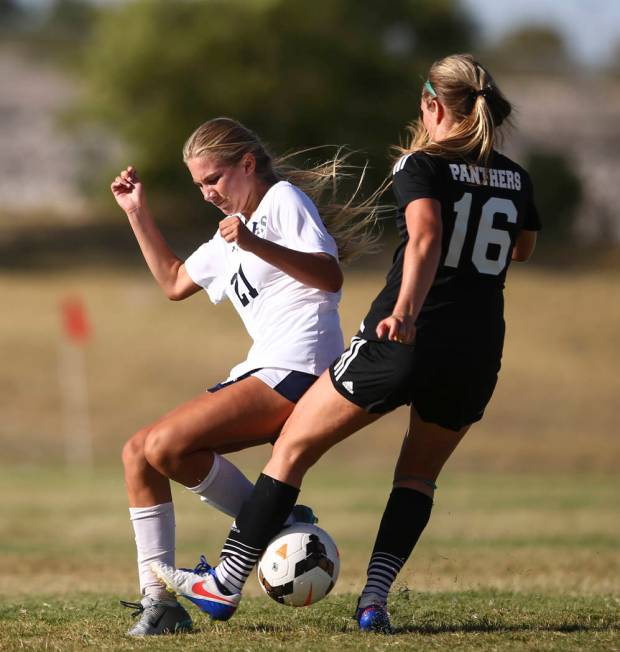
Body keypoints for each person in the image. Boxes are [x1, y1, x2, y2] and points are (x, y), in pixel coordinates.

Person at [153, 54, 541, 631]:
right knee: (416, 476)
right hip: (479, 347)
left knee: (292, 447)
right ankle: (375, 601)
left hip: (403, 335)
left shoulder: (422, 163)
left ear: (432, 106)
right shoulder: (516, 176)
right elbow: (523, 249)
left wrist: (407, 310)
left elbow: (427, 234)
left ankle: (225, 583)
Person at [111, 117, 379, 636]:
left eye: (215, 178)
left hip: (300, 366)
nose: (209, 193)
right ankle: (160, 602)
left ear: (247, 165)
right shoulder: (229, 233)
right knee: (139, 452)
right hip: (264, 368)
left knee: (164, 443)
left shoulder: (282, 201)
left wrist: (256, 243)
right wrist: (137, 212)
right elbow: (172, 282)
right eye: (200, 185)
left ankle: (271, 518)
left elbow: (330, 275)